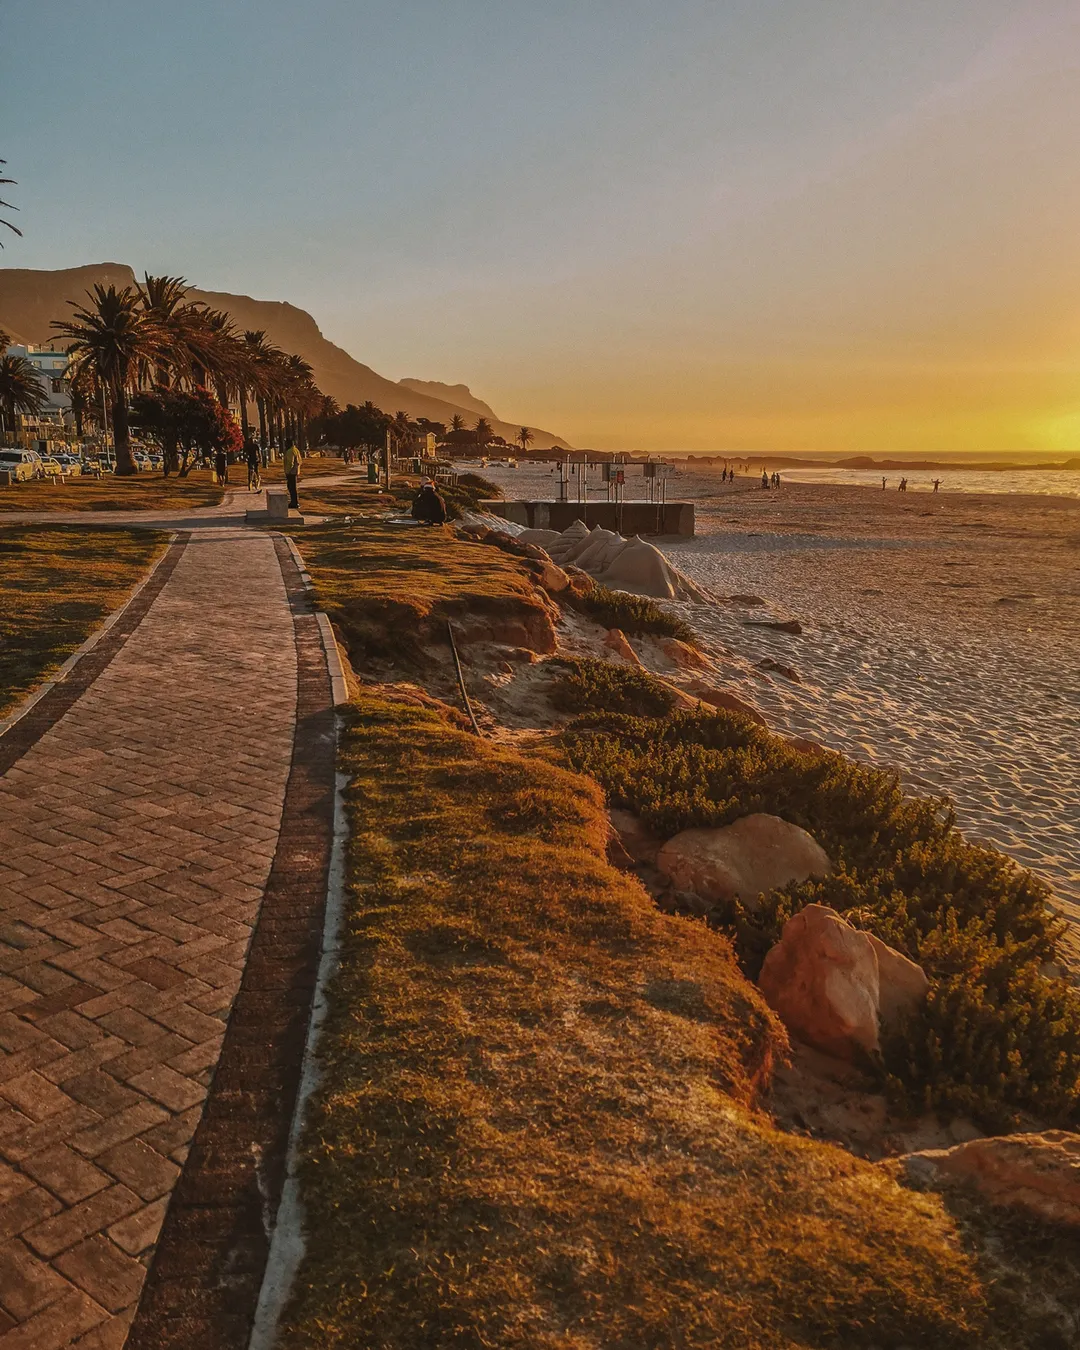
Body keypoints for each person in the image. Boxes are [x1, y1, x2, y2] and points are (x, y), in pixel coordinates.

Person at [282, 440, 301, 510]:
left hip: (291, 472)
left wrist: (288, 471)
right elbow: (300, 461)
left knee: (291, 487)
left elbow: (290, 462)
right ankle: (294, 501)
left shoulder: (290, 451)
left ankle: (294, 502)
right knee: (293, 487)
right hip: (295, 472)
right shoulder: (296, 450)